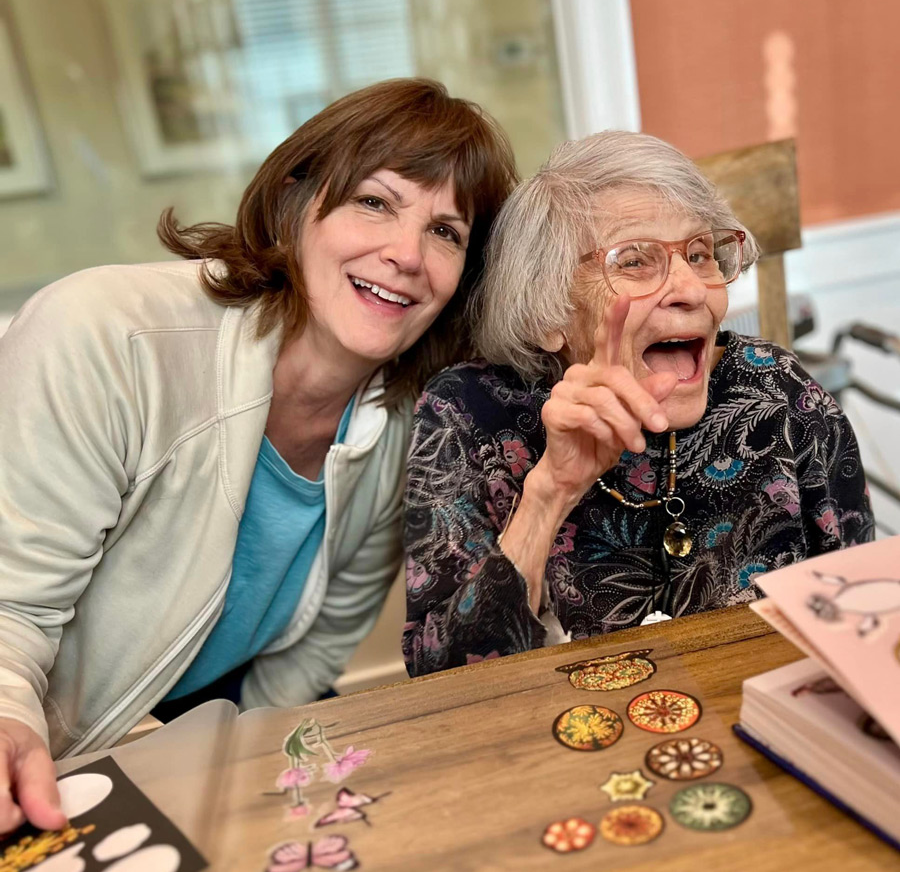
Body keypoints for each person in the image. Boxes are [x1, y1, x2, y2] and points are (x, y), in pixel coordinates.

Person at [0, 78, 516, 832]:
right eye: (374, 202)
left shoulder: (413, 427)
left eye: (446, 232)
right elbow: (10, 611)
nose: (406, 253)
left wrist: (229, 776)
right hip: (51, 751)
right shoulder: (103, 337)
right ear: (293, 203)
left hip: (206, 734)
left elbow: (321, 642)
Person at [403, 130, 873, 676]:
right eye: (634, 261)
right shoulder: (467, 415)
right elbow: (441, 679)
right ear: (546, 311)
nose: (692, 290)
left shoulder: (781, 397)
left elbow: (864, 621)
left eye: (700, 254)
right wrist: (550, 494)